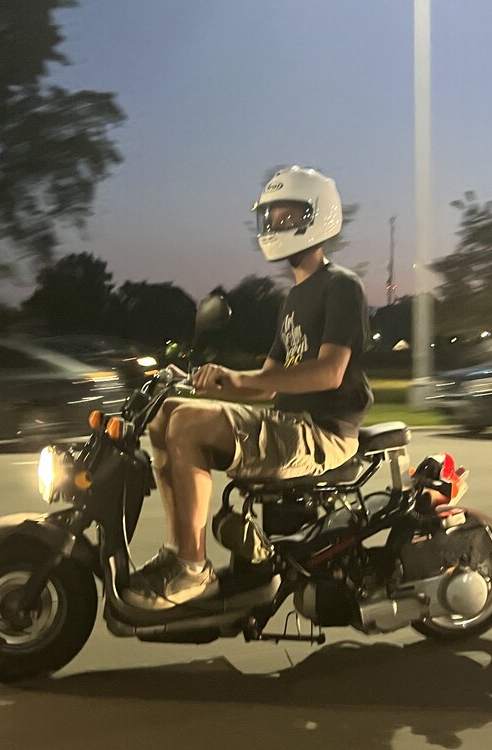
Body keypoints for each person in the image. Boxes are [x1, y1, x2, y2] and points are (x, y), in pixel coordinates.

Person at [124, 166, 373, 610]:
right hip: (289, 423)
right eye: (271, 217)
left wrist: (238, 379)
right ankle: (178, 553)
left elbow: (329, 373)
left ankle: (192, 570)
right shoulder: (293, 299)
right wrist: (203, 383)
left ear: (319, 218)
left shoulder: (341, 287)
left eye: (287, 216)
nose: (276, 226)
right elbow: (266, 386)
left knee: (186, 425)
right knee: (166, 415)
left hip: (324, 434)